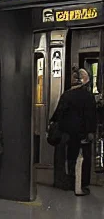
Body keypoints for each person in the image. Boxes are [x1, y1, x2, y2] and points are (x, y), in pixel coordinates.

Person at [50, 68, 98, 196]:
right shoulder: (88, 96)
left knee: (70, 158)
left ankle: (69, 181)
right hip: (83, 133)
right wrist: (91, 131)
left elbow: (58, 114)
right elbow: (91, 116)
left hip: (68, 133)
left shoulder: (67, 95)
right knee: (84, 159)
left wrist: (53, 124)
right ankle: (81, 184)